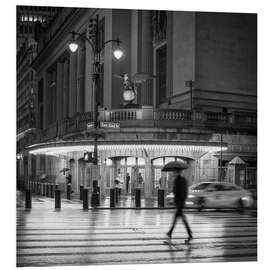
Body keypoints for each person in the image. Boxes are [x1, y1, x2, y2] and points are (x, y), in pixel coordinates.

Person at [166, 169, 193, 243]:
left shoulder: (181, 180)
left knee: (177, 219)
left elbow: (183, 191)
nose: (173, 173)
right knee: (180, 218)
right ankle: (189, 233)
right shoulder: (177, 180)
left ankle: (170, 232)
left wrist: (180, 199)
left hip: (180, 202)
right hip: (178, 201)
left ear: (178, 172)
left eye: (174, 172)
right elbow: (177, 190)